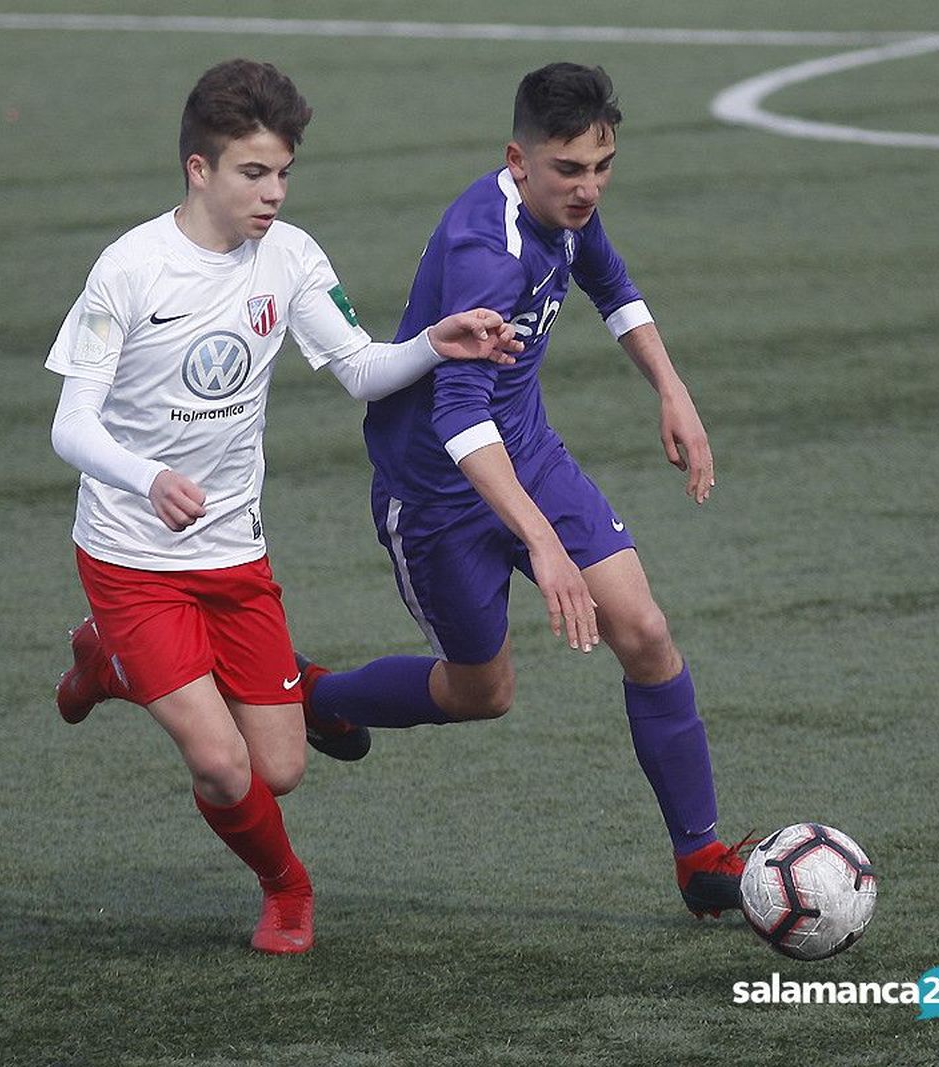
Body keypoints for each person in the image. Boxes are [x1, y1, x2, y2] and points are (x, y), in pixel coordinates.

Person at [44, 59, 519, 955]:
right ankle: (287, 889)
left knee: (282, 766)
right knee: (223, 767)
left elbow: (358, 369)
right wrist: (147, 478)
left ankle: (109, 667)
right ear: (199, 169)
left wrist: (434, 342)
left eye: (283, 173)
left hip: (232, 554)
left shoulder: (290, 256)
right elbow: (70, 426)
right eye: (253, 173)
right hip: (131, 555)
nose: (273, 193)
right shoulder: (129, 271)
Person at [298, 62, 751, 918]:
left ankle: (700, 857)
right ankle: (318, 697)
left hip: (530, 453)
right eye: (569, 170)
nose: (588, 188)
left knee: (647, 632)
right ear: (519, 160)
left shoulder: (568, 213)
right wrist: (543, 543)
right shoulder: (488, 256)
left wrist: (672, 388)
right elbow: (458, 420)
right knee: (483, 692)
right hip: (437, 490)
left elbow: (612, 286)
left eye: (602, 166)